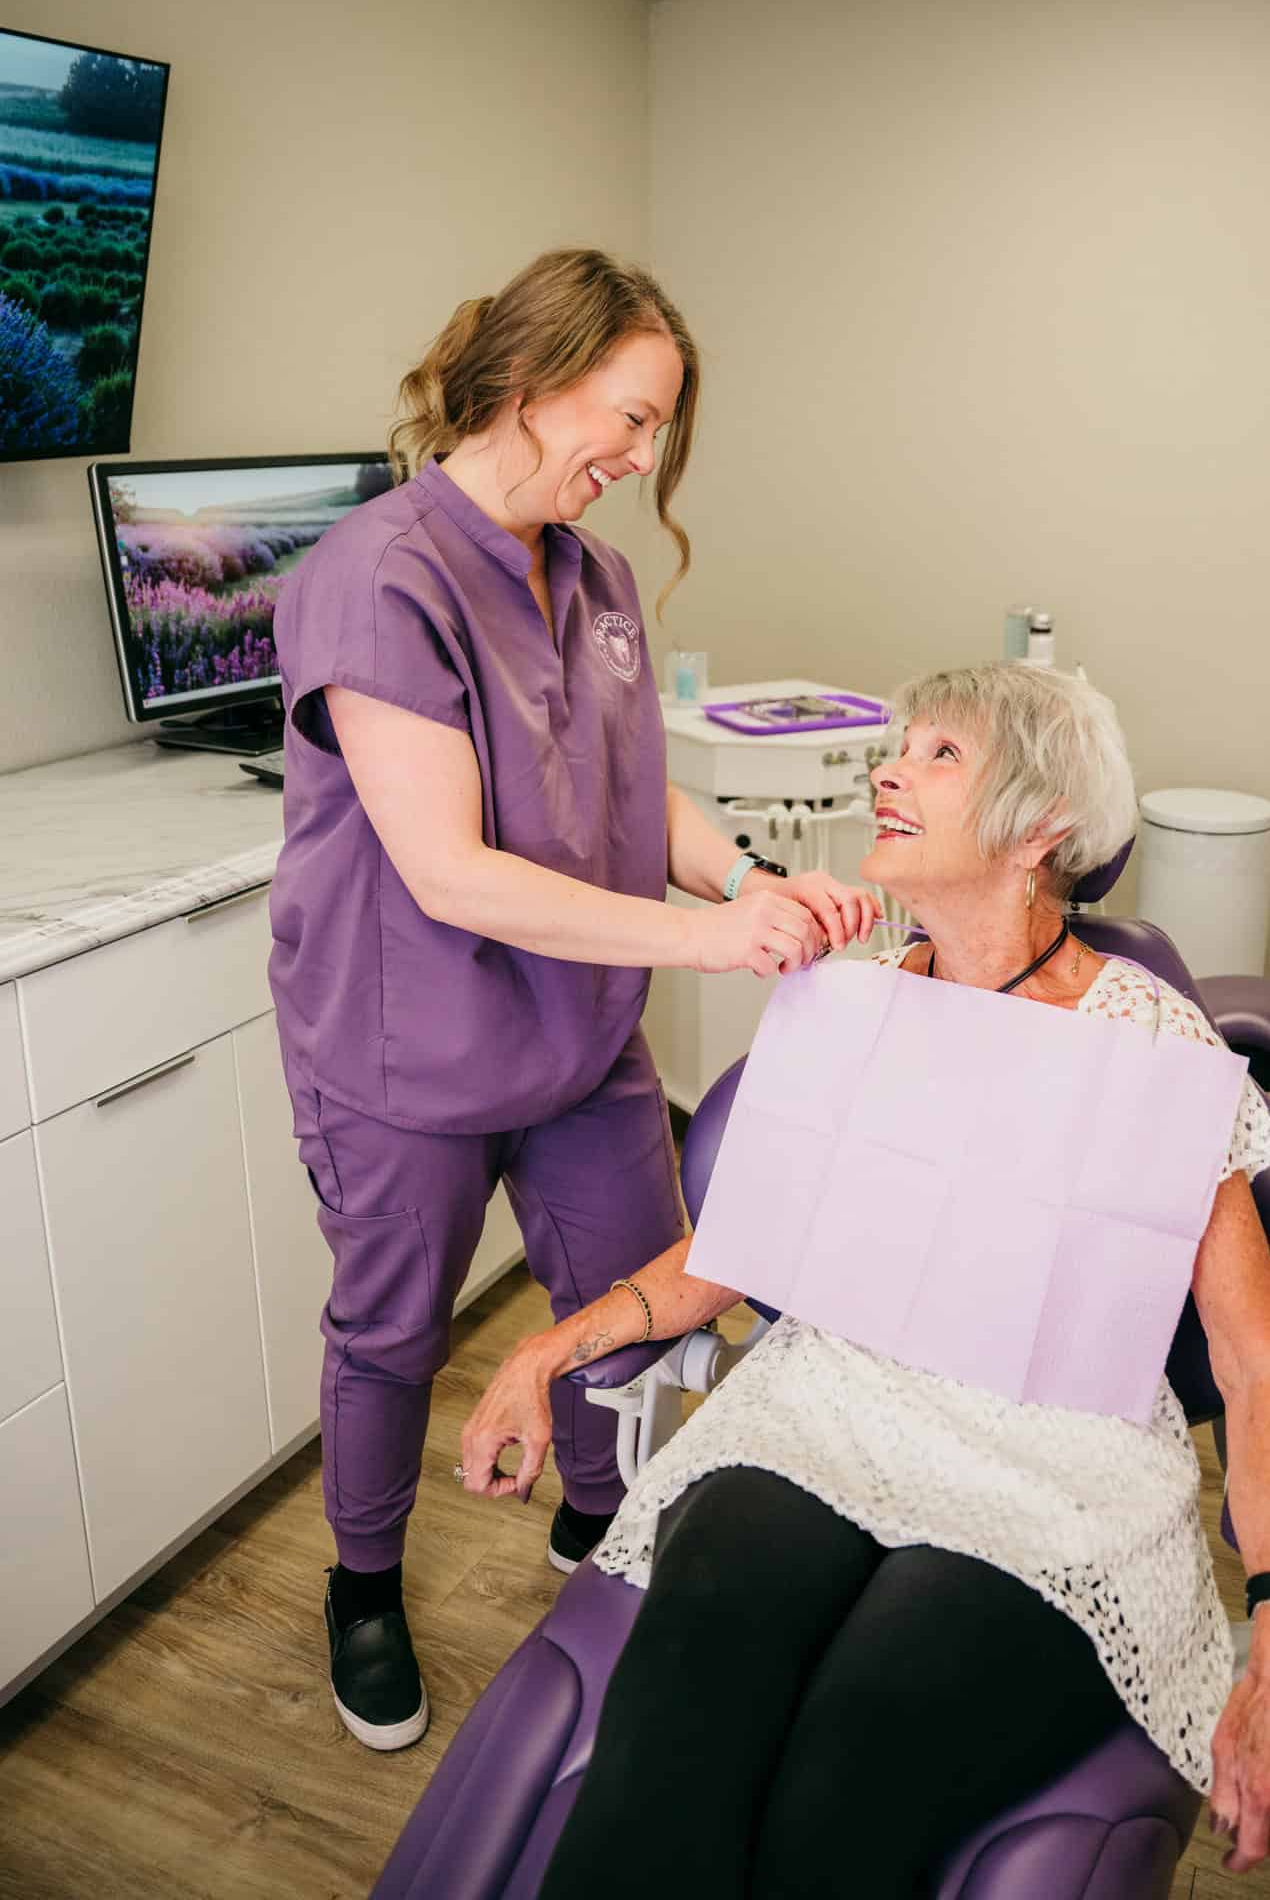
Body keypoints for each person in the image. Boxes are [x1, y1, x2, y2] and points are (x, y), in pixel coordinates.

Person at [456, 663, 1270, 1892]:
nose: (887, 771)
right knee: (679, 1723)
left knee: (851, 1770)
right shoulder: (849, 1004)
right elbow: (731, 1250)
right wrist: (548, 1347)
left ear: (1041, 831)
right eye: (899, 747)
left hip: (1054, 1467)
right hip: (825, 1418)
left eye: (937, 757)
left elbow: (1255, 1353)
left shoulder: (1148, 1042)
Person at [266, 247, 881, 1752]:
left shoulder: (595, 571)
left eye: (660, 428)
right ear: (530, 386)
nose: (640, 456)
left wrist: (746, 880)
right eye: (631, 414)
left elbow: (634, 791)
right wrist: (708, 949)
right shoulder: (379, 576)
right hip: (406, 1048)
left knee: (637, 1312)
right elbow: (452, 874)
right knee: (390, 1336)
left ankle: (616, 1529)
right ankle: (362, 1589)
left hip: (580, 1034)